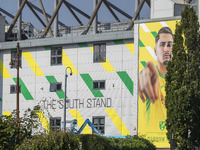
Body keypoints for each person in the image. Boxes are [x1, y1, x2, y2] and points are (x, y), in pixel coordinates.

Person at [138, 27, 173, 146]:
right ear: (155, 50)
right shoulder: (148, 78)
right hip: (155, 140)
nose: (166, 49)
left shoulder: (180, 78)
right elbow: (143, 114)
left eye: (169, 45)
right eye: (162, 45)